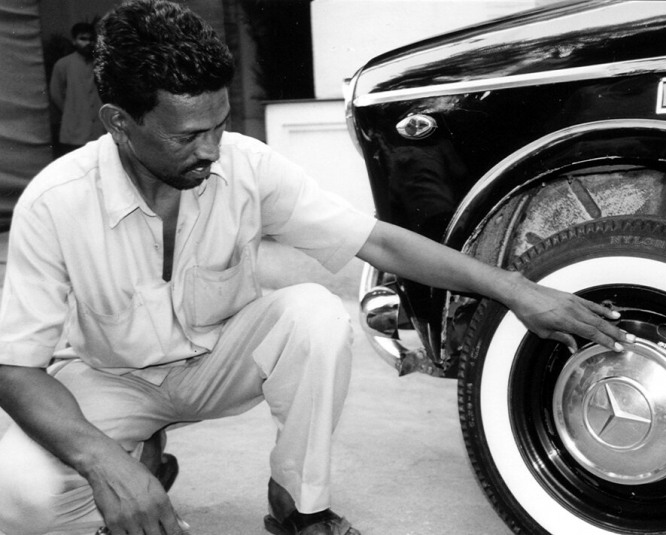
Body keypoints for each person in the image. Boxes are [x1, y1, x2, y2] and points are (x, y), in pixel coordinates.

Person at [0, 1, 630, 534]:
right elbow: (15, 368)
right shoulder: (56, 202)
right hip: (111, 380)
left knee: (315, 314)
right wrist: (104, 461)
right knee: (19, 495)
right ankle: (139, 456)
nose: (212, 149)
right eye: (187, 136)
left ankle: (296, 503)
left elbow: (378, 242)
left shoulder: (246, 166)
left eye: (219, 124)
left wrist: (513, 288)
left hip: (220, 362)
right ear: (119, 123)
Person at [49, 22, 106, 157]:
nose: (88, 43)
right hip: (74, 130)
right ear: (74, 41)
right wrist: (72, 111)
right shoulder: (63, 64)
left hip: (100, 130)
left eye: (91, 39)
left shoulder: (102, 63)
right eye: (83, 39)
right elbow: (56, 93)